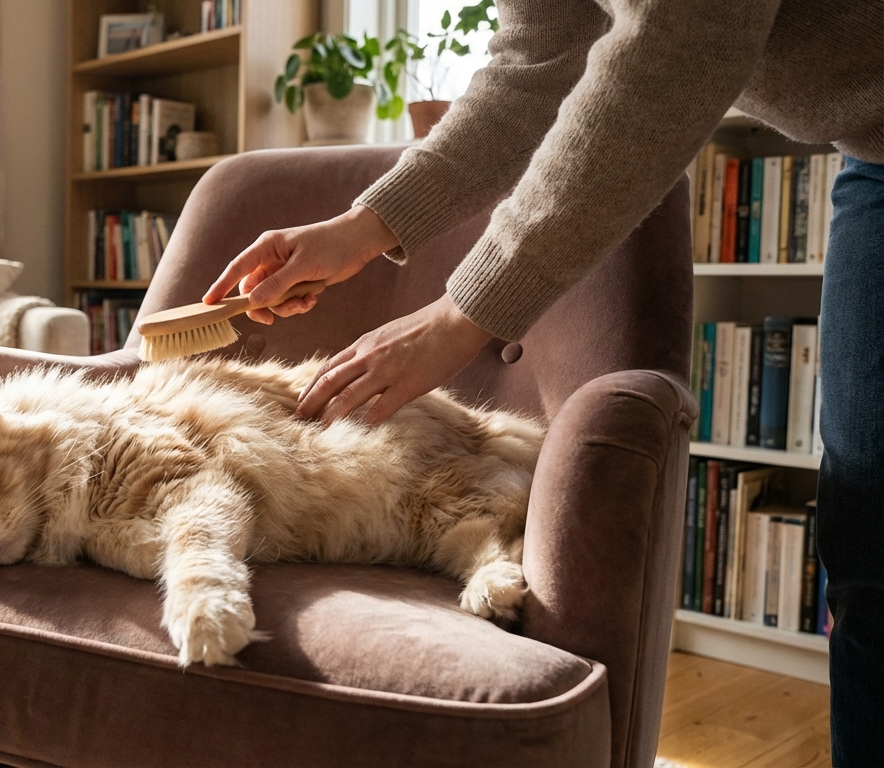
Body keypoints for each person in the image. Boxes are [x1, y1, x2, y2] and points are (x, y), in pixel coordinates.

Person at [203, 1, 883, 763]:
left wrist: (461, 315)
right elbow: (534, 62)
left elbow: (679, 40)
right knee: (869, 550)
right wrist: (362, 229)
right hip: (874, 153)